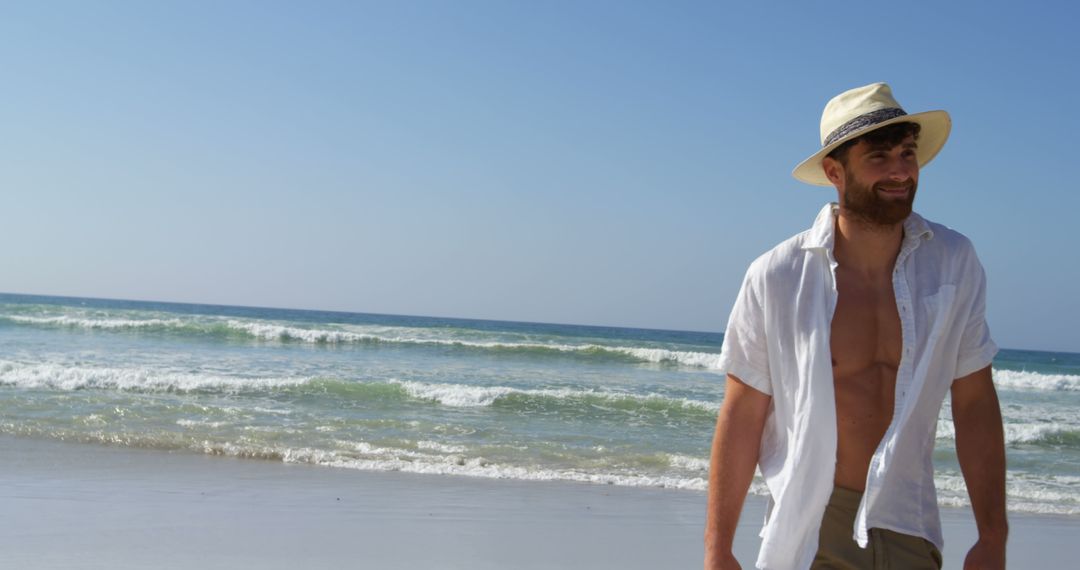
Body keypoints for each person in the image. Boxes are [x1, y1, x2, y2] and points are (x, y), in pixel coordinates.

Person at [703, 83, 1008, 570]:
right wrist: (717, 550)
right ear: (834, 172)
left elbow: (974, 401)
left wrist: (993, 535)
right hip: (812, 527)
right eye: (879, 156)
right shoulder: (778, 275)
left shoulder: (953, 262)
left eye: (908, 153)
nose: (900, 170)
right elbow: (742, 413)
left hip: (909, 520)